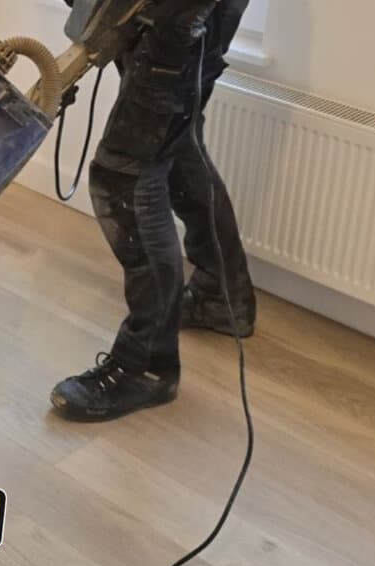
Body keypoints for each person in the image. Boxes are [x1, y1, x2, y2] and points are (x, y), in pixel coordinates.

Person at [51, 0, 258, 422]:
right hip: (169, 19)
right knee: (180, 151)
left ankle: (146, 366)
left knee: (124, 180)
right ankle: (221, 296)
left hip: (179, 18)